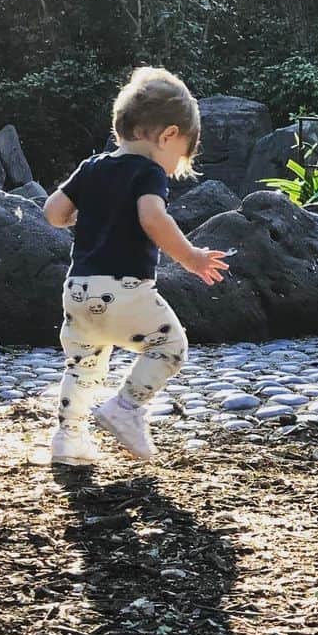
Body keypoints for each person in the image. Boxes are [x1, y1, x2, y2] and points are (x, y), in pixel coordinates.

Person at [42, 67, 229, 465]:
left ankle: (67, 438)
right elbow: (152, 218)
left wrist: (85, 218)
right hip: (125, 289)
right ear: (168, 136)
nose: (174, 166)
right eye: (179, 156)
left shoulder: (91, 166)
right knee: (170, 346)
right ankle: (126, 408)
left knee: (83, 364)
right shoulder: (147, 172)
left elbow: (53, 212)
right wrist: (191, 257)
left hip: (78, 290)